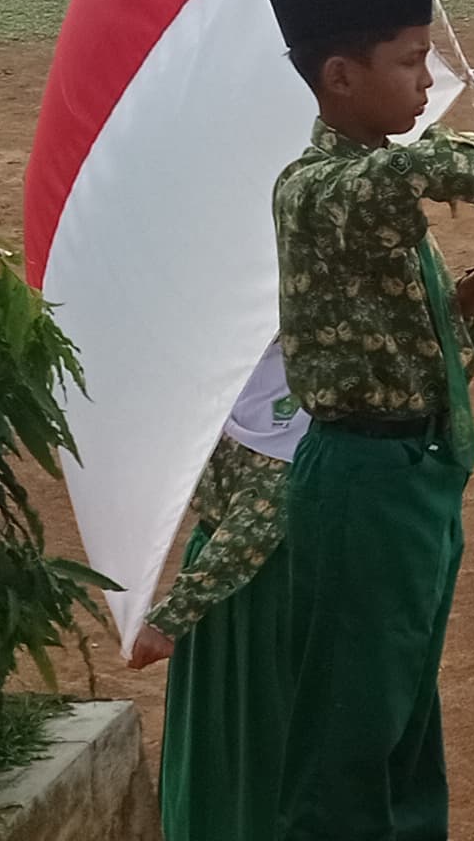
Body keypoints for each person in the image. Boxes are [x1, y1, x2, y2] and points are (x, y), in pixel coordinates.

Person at [261, 0, 474, 841]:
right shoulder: (324, 187)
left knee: (404, 717)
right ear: (340, 76)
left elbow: (398, 337)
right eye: (412, 61)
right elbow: (425, 177)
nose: (426, 81)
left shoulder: (367, 185)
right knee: (350, 735)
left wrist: (473, 300)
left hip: (411, 472)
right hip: (362, 481)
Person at [137, 345, 313, 841]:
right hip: (223, 585)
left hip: (267, 593)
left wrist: (170, 617)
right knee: (226, 739)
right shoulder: (230, 355)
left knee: (257, 738)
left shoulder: (303, 387)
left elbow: (259, 520)